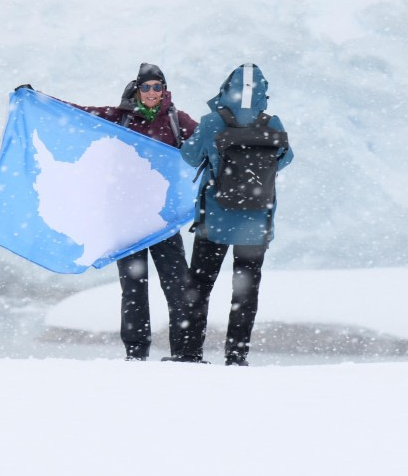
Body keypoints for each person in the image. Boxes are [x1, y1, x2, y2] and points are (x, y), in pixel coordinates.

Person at [69, 63, 199, 361]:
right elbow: (80, 115)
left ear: (163, 90)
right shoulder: (120, 118)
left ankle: (183, 352)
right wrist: (40, 100)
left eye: (157, 87)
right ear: (137, 90)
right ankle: (136, 353)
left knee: (178, 287)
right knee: (133, 289)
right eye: (146, 87)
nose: (151, 92)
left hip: (162, 220)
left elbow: (208, 144)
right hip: (127, 220)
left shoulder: (178, 120)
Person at [180, 63, 293, 366]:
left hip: (215, 220)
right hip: (255, 224)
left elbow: (189, 155)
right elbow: (284, 159)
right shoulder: (273, 123)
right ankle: (236, 355)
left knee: (199, 288)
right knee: (245, 291)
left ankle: (190, 353)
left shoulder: (212, 122)